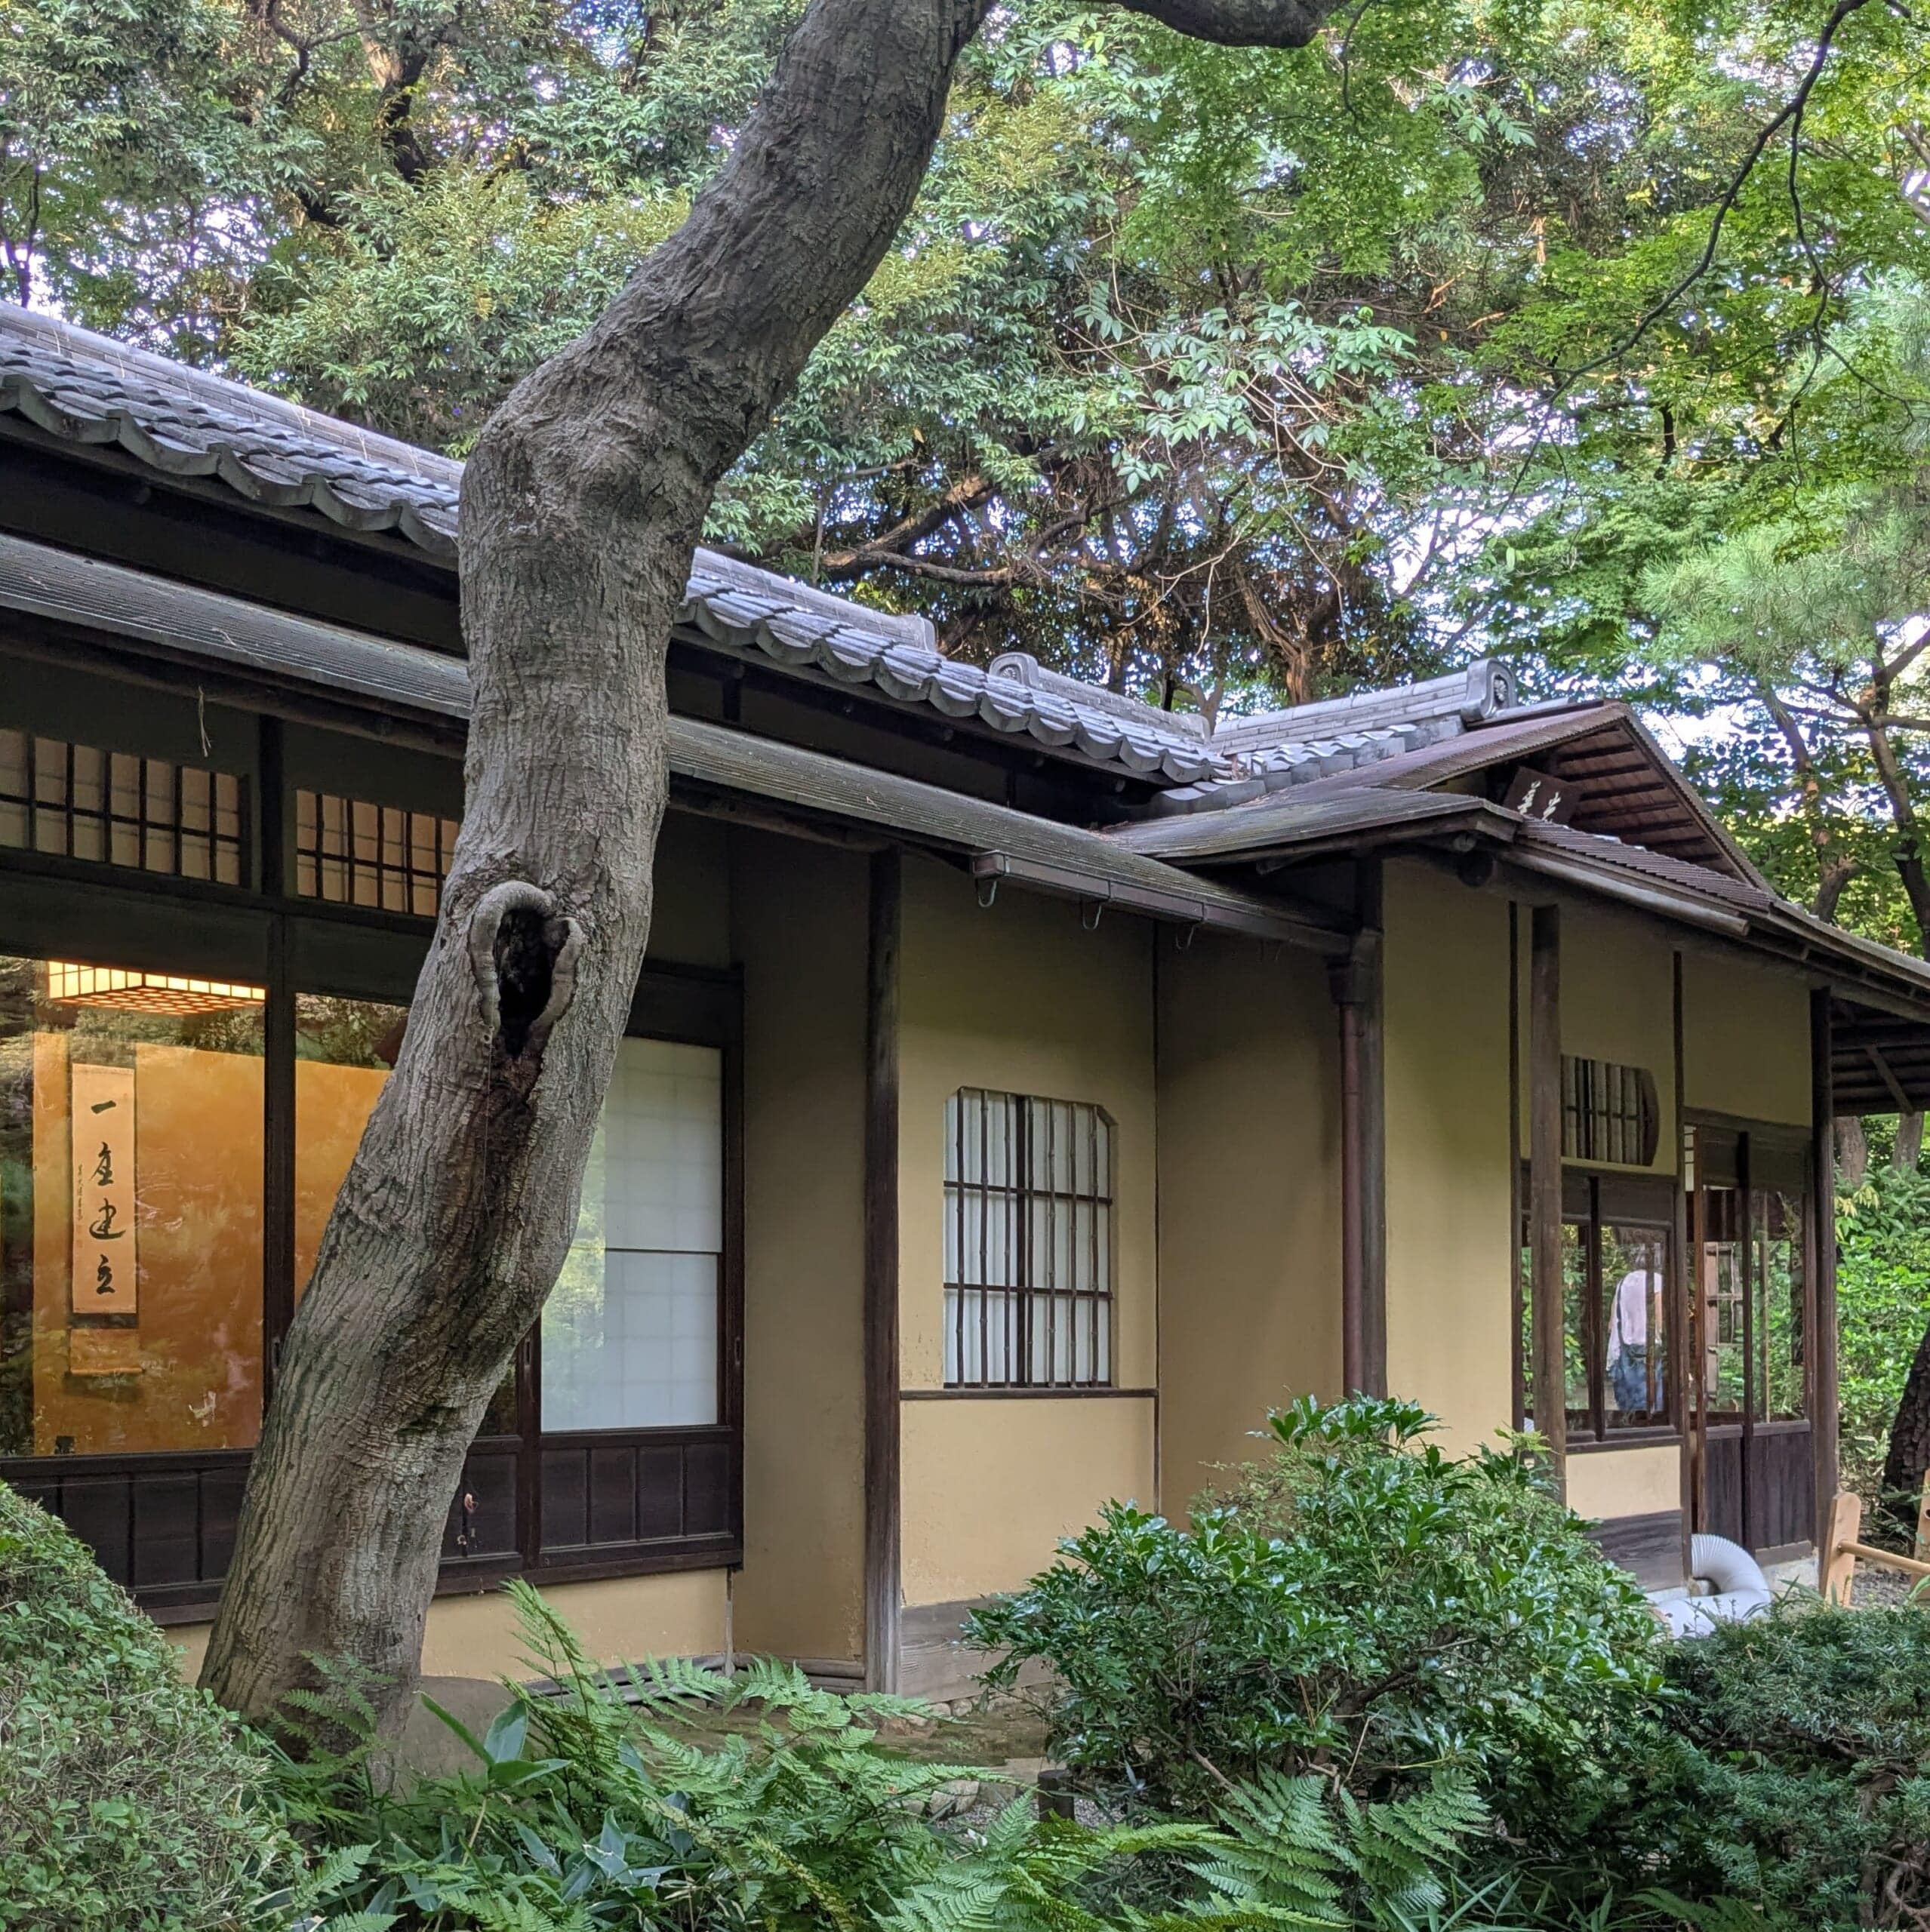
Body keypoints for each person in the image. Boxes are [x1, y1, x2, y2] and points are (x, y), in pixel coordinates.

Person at [1607, 1265, 1660, 1415]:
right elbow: (1661, 1322)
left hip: (1623, 1351)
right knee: (1651, 1410)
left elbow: (1612, 1324)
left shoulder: (1623, 1283)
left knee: (1628, 1409)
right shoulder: (1656, 1281)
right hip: (1649, 1350)